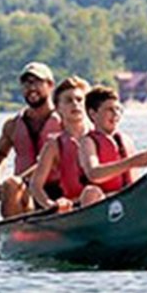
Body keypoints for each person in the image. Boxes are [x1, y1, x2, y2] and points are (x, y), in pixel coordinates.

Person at [0, 62, 64, 216]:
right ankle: (17, 232)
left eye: (37, 82)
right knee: (11, 184)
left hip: (59, 191)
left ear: (50, 85)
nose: (31, 88)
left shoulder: (66, 121)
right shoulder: (13, 125)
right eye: (26, 83)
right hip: (25, 194)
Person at [29, 76, 105, 212]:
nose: (75, 104)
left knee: (92, 192)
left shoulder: (103, 136)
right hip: (73, 207)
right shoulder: (53, 145)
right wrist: (50, 205)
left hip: (105, 201)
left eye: (79, 100)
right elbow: (35, 186)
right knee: (89, 193)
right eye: (69, 100)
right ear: (58, 108)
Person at [79, 85, 147, 193]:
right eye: (109, 110)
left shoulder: (126, 141)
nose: (115, 114)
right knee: (91, 192)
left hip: (128, 197)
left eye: (118, 109)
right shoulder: (88, 142)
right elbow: (93, 174)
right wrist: (131, 162)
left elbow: (135, 179)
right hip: (103, 200)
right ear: (93, 114)